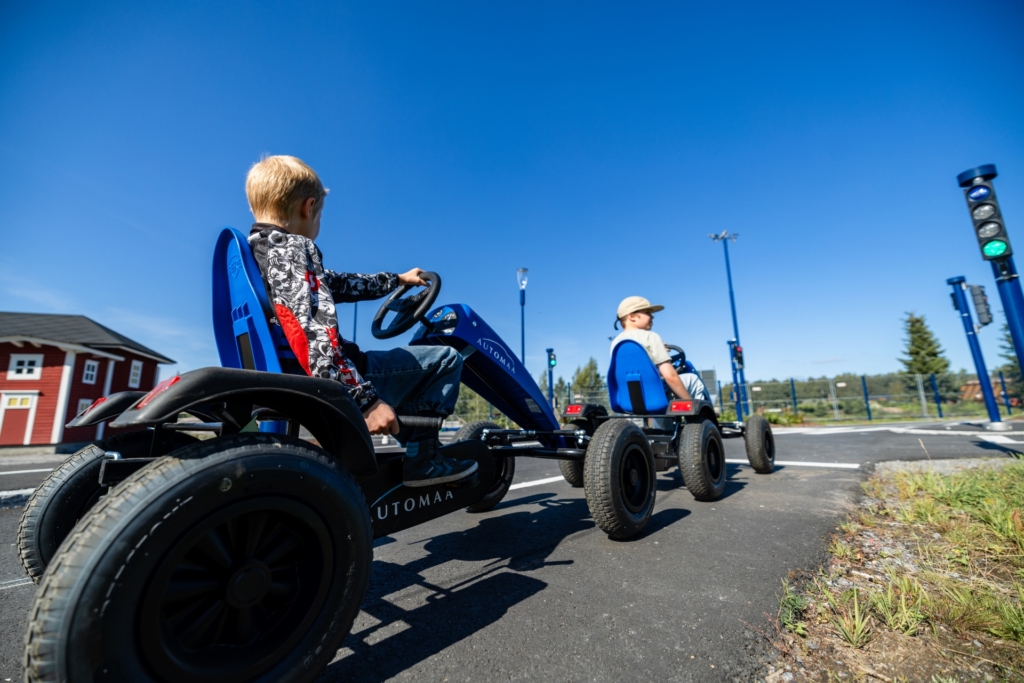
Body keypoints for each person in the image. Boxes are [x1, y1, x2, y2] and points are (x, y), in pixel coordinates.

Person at [244, 155, 477, 486]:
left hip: (283, 371)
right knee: (445, 359)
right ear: (308, 208)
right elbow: (314, 330)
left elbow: (336, 284)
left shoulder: (257, 252)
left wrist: (397, 280)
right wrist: (365, 400)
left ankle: (407, 435)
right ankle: (422, 460)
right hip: (322, 380)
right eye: (320, 215)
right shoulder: (295, 248)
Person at [610, 296, 710, 402]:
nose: (652, 317)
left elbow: (637, 370)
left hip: (628, 398)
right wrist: (690, 403)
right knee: (692, 379)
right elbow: (670, 376)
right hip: (655, 394)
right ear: (632, 316)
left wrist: (657, 352)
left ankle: (660, 419)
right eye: (648, 312)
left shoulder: (616, 342)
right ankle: (698, 416)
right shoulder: (651, 337)